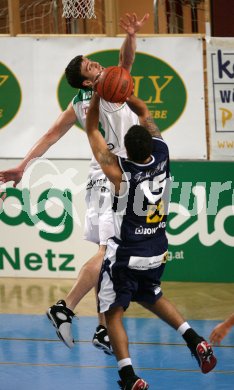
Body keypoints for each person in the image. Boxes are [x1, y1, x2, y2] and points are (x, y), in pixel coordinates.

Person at [0, 12, 149, 355]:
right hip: (113, 179)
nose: (96, 63)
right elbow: (126, 61)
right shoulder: (108, 90)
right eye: (89, 66)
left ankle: (102, 328)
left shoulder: (79, 103)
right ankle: (63, 307)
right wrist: (130, 38)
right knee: (110, 252)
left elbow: (51, 135)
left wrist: (24, 166)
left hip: (99, 179)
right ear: (88, 81)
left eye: (91, 61)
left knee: (105, 254)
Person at [85, 91, 217, 389]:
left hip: (127, 253)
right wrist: (126, 91)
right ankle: (194, 339)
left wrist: (97, 97)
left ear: (126, 151)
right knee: (151, 295)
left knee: (112, 312)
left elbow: (92, 129)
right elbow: (143, 109)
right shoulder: (163, 151)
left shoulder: (120, 173)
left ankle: (129, 377)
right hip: (157, 248)